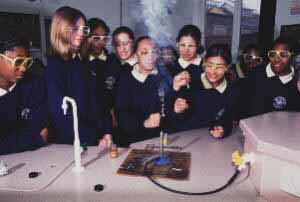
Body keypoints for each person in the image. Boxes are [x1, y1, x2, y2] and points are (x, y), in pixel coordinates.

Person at [46, 6, 112, 147]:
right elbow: (61, 116)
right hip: (74, 144)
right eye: (76, 28)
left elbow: (98, 101)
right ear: (61, 28)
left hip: (97, 138)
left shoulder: (83, 61)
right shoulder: (55, 66)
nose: (82, 33)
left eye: (84, 29)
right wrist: (94, 139)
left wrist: (107, 131)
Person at [168, 44, 239, 138]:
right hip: (182, 138)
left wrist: (223, 129)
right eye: (209, 65)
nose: (213, 72)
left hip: (207, 142)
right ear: (204, 62)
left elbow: (228, 119)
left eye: (219, 67)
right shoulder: (189, 78)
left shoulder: (231, 91)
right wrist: (176, 109)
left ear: (228, 67)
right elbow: (170, 116)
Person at [115, 36, 172, 145]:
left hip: (163, 141)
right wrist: (144, 123)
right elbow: (122, 116)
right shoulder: (126, 79)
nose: (150, 57)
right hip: (134, 141)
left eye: (154, 52)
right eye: (144, 52)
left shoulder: (165, 76)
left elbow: (171, 111)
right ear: (136, 56)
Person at [0, 35, 48, 155]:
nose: (23, 69)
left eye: (27, 62)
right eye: (18, 61)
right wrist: (35, 140)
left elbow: (40, 128)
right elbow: (39, 137)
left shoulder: (34, 84)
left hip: (36, 158)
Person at [240, 36, 300, 118]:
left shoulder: (296, 81)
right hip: (251, 128)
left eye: (283, 54)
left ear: (293, 56)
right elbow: (242, 105)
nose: (277, 59)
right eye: (273, 54)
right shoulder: (255, 75)